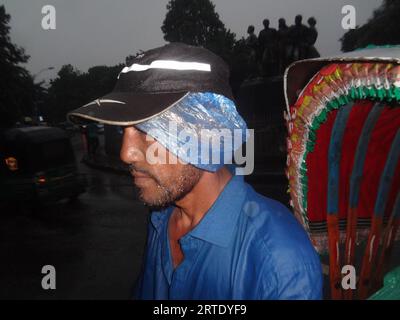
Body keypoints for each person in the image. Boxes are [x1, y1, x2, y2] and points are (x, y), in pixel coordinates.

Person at [68, 43, 323, 300]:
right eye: (125, 129)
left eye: (147, 130)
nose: (126, 153)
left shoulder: (280, 263)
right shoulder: (161, 217)